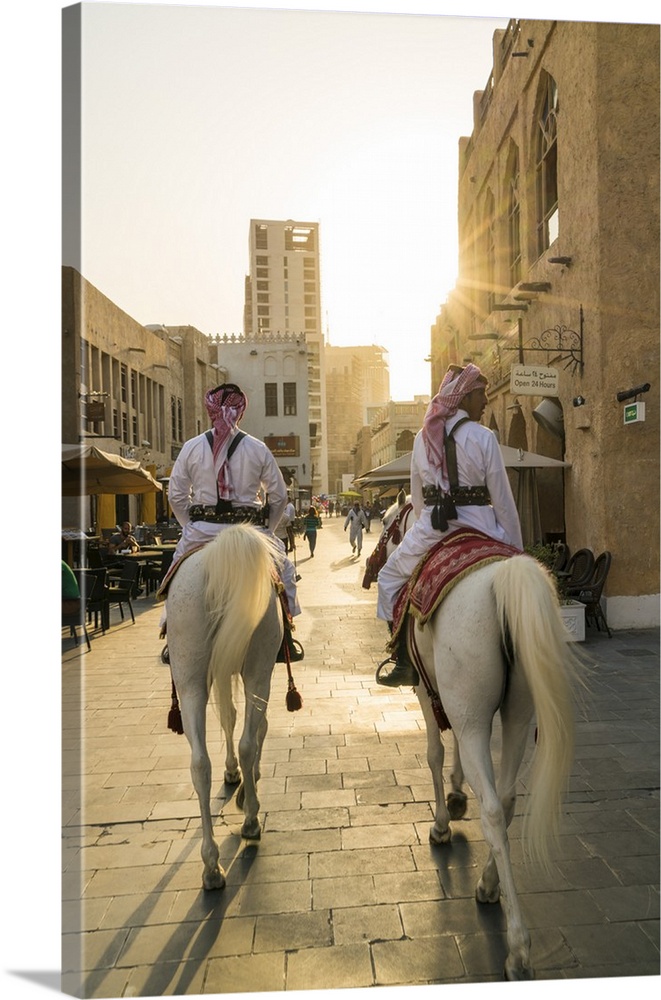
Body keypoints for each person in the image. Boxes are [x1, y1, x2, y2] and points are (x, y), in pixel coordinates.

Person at [376, 363, 523, 688]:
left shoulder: (421, 439)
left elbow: (417, 498)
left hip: (433, 529)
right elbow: (503, 501)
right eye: (480, 394)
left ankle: (402, 660)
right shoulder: (485, 437)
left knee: (387, 578)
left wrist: (433, 519)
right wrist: (517, 550)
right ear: (464, 397)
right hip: (484, 528)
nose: (485, 401)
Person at [162, 382, 302, 659]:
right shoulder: (257, 448)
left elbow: (176, 496)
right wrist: (268, 531)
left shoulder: (191, 448)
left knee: (175, 574)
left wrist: (191, 526)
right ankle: (286, 635)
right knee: (283, 570)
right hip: (249, 531)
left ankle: (171, 632)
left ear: (210, 411)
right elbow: (279, 495)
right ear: (241, 412)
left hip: (201, 532)